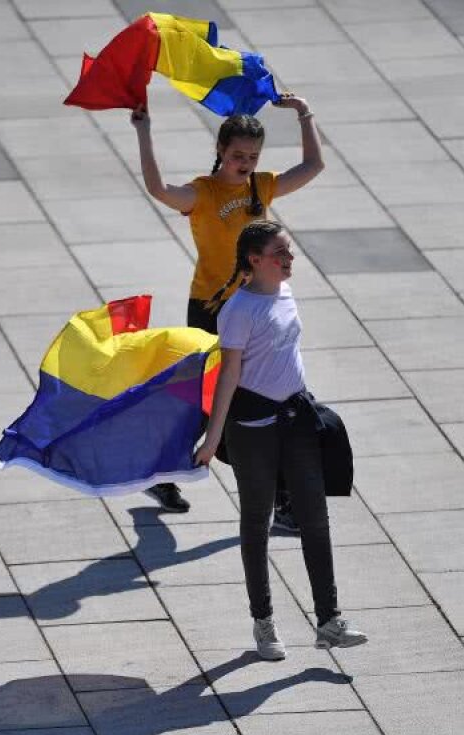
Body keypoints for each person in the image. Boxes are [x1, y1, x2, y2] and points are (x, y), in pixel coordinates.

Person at [131, 92, 324, 519]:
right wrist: (144, 131)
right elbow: (159, 189)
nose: (246, 164)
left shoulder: (261, 186)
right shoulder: (204, 193)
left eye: (253, 157)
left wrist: (304, 113)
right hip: (211, 310)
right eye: (238, 155)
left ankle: (177, 471)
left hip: (256, 307)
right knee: (219, 400)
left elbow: (313, 166)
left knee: (248, 400)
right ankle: (271, 494)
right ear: (220, 150)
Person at [194, 220, 366, 660]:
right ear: (255, 261)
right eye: (279, 254)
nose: (289, 259)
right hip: (253, 428)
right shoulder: (238, 310)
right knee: (257, 521)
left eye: (288, 251)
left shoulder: (285, 293)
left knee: (314, 517)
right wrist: (212, 439)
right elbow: (229, 375)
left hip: (296, 418)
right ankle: (263, 622)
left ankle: (329, 621)